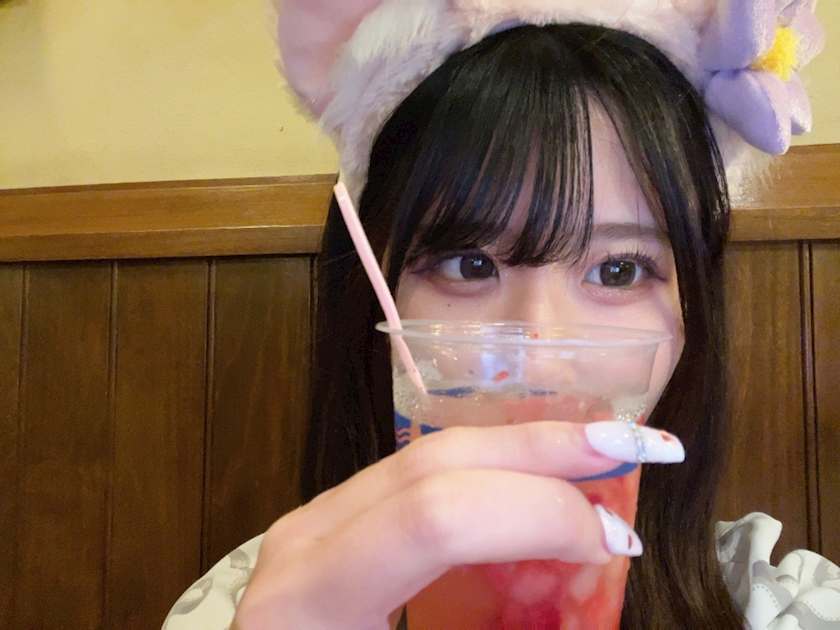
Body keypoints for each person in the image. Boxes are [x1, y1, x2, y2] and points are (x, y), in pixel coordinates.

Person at [165, 1, 839, 628]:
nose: (537, 364)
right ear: (378, 293)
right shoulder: (250, 604)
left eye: (619, 271)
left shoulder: (788, 606)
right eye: (469, 264)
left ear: (693, 311)